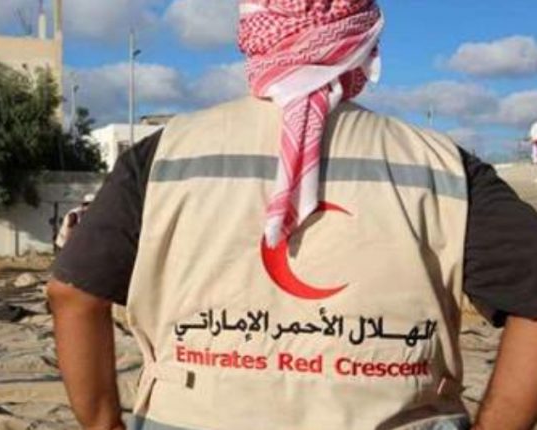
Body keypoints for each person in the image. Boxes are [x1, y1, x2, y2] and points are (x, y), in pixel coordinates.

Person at [48, 1, 537, 429]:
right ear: (364, 40)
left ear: (253, 33)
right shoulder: (445, 167)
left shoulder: (164, 157)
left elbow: (71, 293)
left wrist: (102, 423)